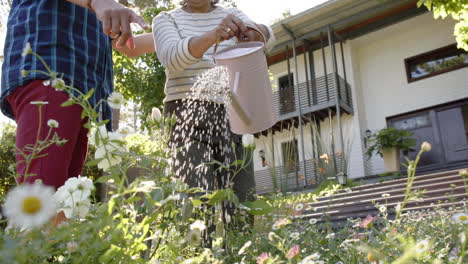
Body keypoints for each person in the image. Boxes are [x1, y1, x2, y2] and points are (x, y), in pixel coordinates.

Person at [152, 0, 275, 237]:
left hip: (233, 113)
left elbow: (267, 39)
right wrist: (213, 35)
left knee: (242, 201)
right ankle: (198, 255)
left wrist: (253, 33)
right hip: (185, 117)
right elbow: (172, 59)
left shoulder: (233, 14)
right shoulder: (166, 19)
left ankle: (240, 254)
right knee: (195, 202)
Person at [0, 0, 149, 191]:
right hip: (51, 69)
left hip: (82, 87)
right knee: (43, 200)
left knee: (65, 203)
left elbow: (128, 45)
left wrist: (192, 39)